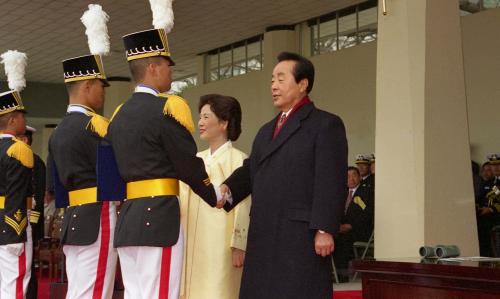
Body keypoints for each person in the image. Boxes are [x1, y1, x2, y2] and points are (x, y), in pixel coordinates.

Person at [106, 3, 223, 297]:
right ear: (153, 67)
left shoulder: (118, 115)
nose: (171, 70)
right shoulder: (168, 108)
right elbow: (187, 163)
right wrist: (213, 194)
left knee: (136, 293)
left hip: (128, 219)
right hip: (158, 219)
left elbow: (110, 174)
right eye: (167, 64)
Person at [220, 52, 347, 299]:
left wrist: (325, 228)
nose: (274, 86)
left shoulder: (324, 124)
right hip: (264, 231)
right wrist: (227, 189)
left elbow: (331, 180)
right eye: (271, 80)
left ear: (303, 84)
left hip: (300, 235)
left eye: (281, 78)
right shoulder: (267, 130)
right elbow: (251, 169)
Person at [48, 5, 118, 298]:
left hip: (73, 218)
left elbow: (55, 188)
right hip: (98, 215)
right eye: (101, 86)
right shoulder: (96, 126)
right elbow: (114, 175)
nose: (103, 92)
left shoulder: (57, 132)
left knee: (78, 289)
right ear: (88, 85)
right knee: (96, 291)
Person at [180, 94, 251, 299]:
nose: (200, 123)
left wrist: (239, 244)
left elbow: (244, 206)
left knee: (219, 291)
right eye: (200, 117)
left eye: (206, 117)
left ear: (223, 123)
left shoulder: (238, 160)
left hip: (220, 245)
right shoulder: (195, 160)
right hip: (193, 239)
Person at [0, 50, 33, 298]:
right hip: (11, 223)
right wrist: (16, 232)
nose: (24, 121)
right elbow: (16, 192)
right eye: (21, 116)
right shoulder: (18, 149)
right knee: (15, 282)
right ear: (12, 119)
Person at [18, 125, 45, 299]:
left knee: (27, 267)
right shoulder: (15, 158)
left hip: (29, 223)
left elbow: (38, 197)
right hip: (15, 221)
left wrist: (32, 226)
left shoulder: (35, 162)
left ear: (25, 140)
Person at [333, 167, 374, 282]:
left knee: (342, 239)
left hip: (359, 230)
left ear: (360, 177)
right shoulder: (341, 192)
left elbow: (368, 214)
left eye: (354, 175)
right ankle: (331, 273)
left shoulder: (367, 192)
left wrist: (351, 225)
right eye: (347, 176)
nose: (351, 178)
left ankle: (341, 275)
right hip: (340, 228)